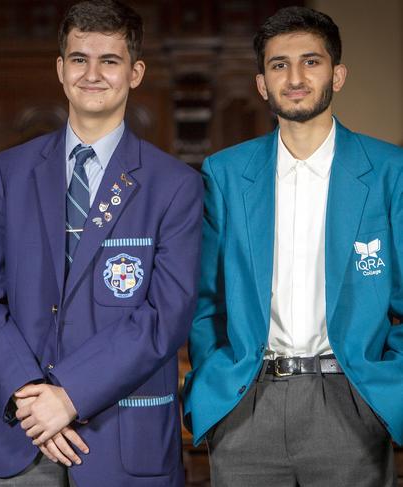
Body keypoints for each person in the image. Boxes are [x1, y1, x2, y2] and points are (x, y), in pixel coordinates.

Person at [0, 0, 203, 485]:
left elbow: (165, 316)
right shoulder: (12, 171)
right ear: (60, 69)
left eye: (109, 61)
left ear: (135, 72)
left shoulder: (174, 184)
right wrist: (31, 399)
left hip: (121, 434)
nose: (92, 74)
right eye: (78, 59)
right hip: (19, 432)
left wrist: (68, 396)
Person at [182, 6, 402, 486]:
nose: (295, 77)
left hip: (351, 402)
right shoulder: (224, 173)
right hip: (248, 402)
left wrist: (389, 389)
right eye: (279, 65)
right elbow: (206, 300)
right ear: (262, 83)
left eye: (311, 61)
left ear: (337, 75)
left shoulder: (389, 171)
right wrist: (214, 376)